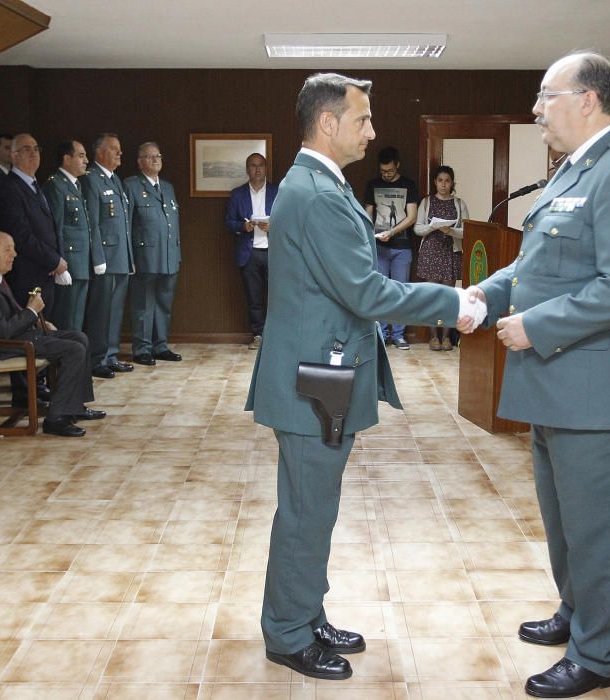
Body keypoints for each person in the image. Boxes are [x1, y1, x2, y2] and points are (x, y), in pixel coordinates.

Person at [245, 72, 482, 682]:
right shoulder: (318, 191)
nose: (373, 131)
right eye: (364, 119)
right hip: (314, 378)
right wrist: (452, 303)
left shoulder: (320, 183)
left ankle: (305, 611)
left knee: (313, 507)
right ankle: (288, 634)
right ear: (328, 122)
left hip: (319, 372)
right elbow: (365, 291)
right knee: (305, 509)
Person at [467, 52, 610, 697]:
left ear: (587, 99)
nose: (535, 109)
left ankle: (598, 654)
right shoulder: (573, 171)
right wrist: (480, 296)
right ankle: (576, 614)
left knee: (599, 528)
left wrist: (537, 326)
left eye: (544, 96)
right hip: (560, 387)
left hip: (600, 391)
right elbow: (535, 268)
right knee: (565, 522)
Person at [0, 231, 105, 437]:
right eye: (8, 249)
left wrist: (35, 319)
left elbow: (6, 315)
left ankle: (73, 407)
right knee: (73, 349)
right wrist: (31, 311)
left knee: (79, 337)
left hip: (16, 336)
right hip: (1, 345)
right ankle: (56, 418)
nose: (14, 254)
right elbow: (1, 332)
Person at [0, 133, 67, 319]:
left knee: (46, 328)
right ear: (13, 155)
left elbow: (51, 228)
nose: (33, 153)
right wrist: (53, 260)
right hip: (27, 274)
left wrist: (58, 259)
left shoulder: (35, 185)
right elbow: (21, 235)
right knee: (32, 332)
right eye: (26, 149)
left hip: (46, 272)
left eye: (36, 149)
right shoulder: (9, 188)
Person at [81, 133, 134, 378]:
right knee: (101, 311)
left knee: (115, 310)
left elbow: (122, 225)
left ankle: (110, 354)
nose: (119, 153)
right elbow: (93, 222)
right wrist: (98, 257)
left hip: (120, 256)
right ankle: (96, 358)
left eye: (119, 149)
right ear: (100, 152)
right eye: (114, 149)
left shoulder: (114, 180)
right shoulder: (91, 179)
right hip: (106, 258)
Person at [124, 142, 182, 365]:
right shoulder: (131, 186)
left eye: (158, 155)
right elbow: (127, 225)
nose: (155, 159)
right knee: (143, 304)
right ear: (140, 162)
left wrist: (177, 252)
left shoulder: (167, 187)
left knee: (164, 304)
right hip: (144, 258)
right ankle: (142, 348)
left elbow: (172, 224)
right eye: (149, 157)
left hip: (168, 256)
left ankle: (160, 345)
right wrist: (130, 258)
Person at [42, 140, 101, 333]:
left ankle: (75, 360)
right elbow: (55, 228)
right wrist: (59, 263)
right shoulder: (56, 185)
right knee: (67, 319)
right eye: (81, 155)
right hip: (69, 264)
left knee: (77, 319)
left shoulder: (76, 185)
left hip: (81, 264)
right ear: (67, 159)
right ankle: (65, 361)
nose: (86, 160)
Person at [364, 146, 419, 349]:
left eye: (390, 171)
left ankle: (398, 334)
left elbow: (412, 216)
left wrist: (392, 232)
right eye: (383, 171)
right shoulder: (373, 185)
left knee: (400, 291)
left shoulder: (408, 185)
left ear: (398, 165)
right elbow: (367, 213)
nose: (386, 175)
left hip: (402, 247)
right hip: (378, 246)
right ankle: (381, 332)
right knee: (380, 290)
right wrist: (370, 233)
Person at [224, 152, 277, 350]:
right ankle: (258, 336)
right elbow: (229, 222)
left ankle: (275, 336)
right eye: (253, 166)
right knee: (254, 298)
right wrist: (243, 227)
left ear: (266, 168)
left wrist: (274, 226)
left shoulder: (278, 191)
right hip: (249, 253)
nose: (257, 169)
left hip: (274, 253)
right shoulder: (237, 194)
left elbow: (290, 219)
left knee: (276, 297)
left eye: (261, 165)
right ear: (247, 170)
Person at [414, 164, 470, 350]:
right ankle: (433, 337)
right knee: (432, 296)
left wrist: (451, 230)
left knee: (449, 297)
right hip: (431, 252)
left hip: (450, 253)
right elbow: (417, 228)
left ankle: (446, 338)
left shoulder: (459, 203)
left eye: (447, 181)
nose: (443, 184)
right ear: (435, 182)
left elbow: (467, 231)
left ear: (452, 182)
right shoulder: (427, 202)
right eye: (440, 181)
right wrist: (433, 226)